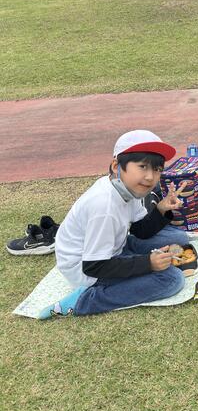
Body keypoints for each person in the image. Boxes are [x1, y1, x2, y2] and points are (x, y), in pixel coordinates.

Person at [40, 130, 188, 318]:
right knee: (172, 279)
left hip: (113, 247)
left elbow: (141, 231)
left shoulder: (128, 188)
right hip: (87, 270)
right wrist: (147, 263)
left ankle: (135, 260)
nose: (150, 177)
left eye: (157, 169)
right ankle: (83, 301)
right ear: (116, 165)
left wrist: (161, 208)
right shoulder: (104, 206)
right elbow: (93, 266)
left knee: (179, 238)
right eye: (143, 166)